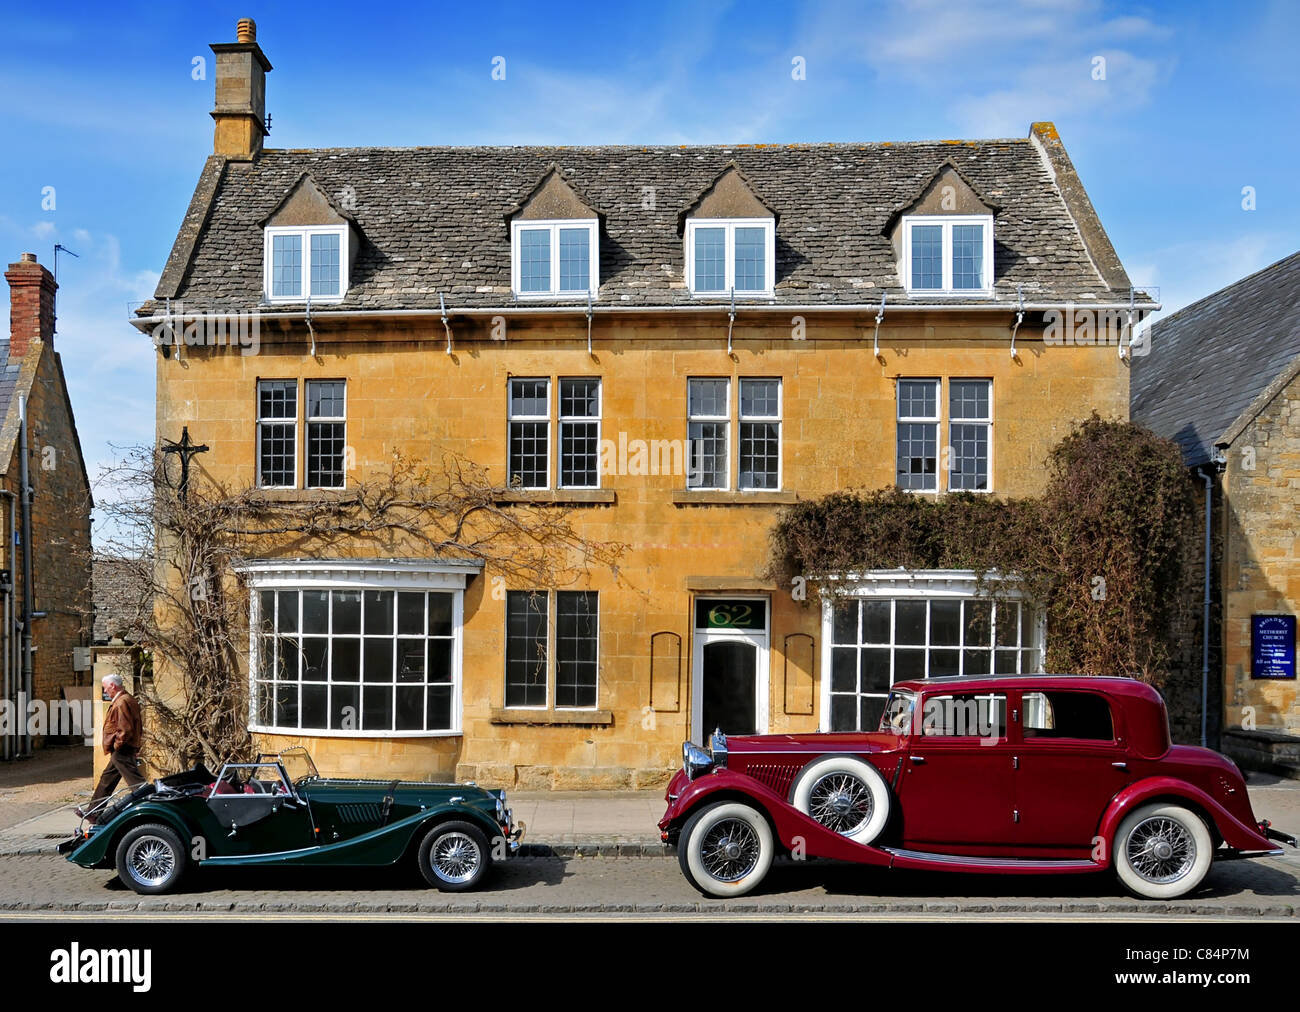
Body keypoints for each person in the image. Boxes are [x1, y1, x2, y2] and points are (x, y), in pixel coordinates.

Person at [77, 674, 145, 821]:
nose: (105, 691)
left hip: (122, 749)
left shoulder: (122, 702)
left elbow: (125, 729)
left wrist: (117, 745)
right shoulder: (127, 699)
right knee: (107, 779)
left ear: (113, 686)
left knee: (135, 781)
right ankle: (93, 813)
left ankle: (150, 802)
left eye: (106, 688)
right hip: (124, 748)